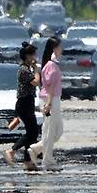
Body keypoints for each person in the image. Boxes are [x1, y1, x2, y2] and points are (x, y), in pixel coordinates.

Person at [28, 37, 64, 171]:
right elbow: (50, 87)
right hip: (50, 99)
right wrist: (48, 104)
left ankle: (36, 149)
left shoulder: (51, 65)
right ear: (55, 49)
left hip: (54, 99)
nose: (62, 50)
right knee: (49, 130)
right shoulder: (51, 65)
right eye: (60, 47)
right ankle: (47, 159)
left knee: (57, 130)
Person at [3, 42, 40, 171]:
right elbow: (35, 82)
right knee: (33, 132)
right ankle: (11, 151)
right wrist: (36, 70)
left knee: (32, 133)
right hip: (23, 104)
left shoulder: (26, 69)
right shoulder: (23, 69)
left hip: (28, 103)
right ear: (28, 56)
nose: (35, 57)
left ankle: (28, 161)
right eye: (33, 55)